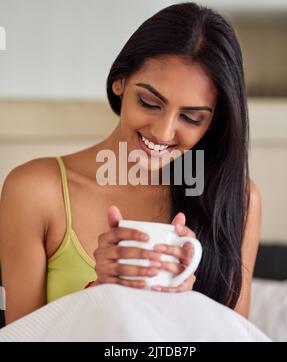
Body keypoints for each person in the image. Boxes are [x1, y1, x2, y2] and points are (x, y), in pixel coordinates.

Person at [0, 2, 261, 325]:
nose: (163, 132)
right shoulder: (35, 190)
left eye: (191, 118)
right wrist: (99, 293)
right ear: (120, 82)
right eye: (149, 102)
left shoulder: (236, 198)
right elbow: (21, 338)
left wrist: (184, 305)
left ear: (213, 122)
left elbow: (232, 338)